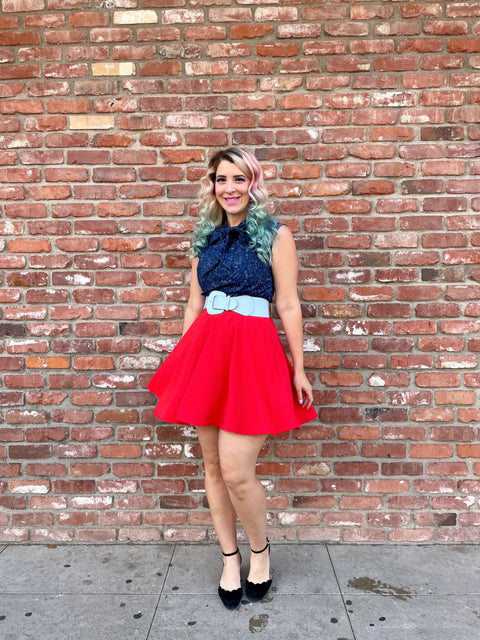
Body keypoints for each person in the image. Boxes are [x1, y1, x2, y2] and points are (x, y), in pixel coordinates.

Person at [147, 147, 317, 609]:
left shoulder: (276, 234)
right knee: (212, 467)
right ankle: (229, 558)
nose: (230, 188)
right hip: (206, 352)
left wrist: (299, 368)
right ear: (212, 185)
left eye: (239, 179)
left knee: (238, 472)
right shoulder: (204, 237)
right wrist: (186, 361)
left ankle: (260, 551)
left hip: (253, 354)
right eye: (222, 179)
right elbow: (194, 303)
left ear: (253, 184)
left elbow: (288, 305)